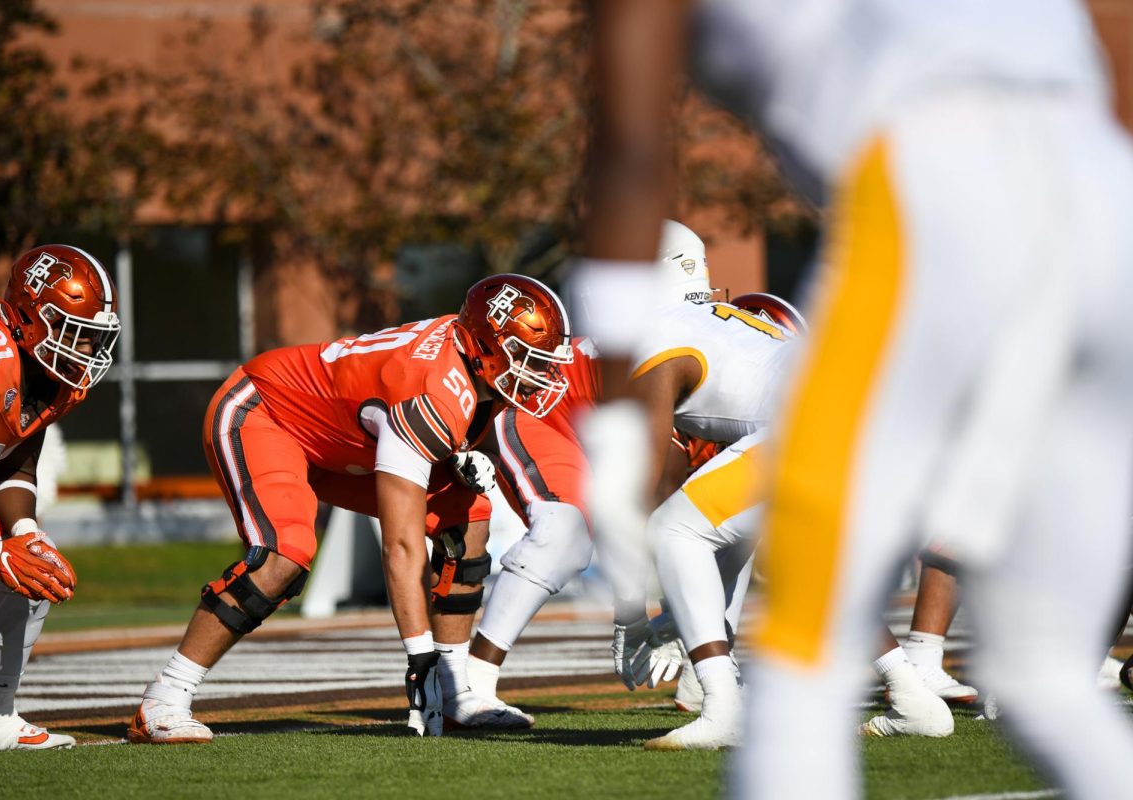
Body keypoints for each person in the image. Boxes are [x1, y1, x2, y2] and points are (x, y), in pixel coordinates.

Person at [576, 2, 1133, 797]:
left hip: (928, 186)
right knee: (1043, 670)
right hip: (1109, 192)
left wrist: (614, 453)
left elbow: (628, 152)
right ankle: (913, 688)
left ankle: (728, 701)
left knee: (788, 655)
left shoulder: (669, 324)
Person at [128, 274, 574, 743]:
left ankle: (457, 691)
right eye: (526, 358)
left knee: (468, 521)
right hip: (266, 414)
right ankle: (165, 697)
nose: (539, 374)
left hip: (343, 440)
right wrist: (418, 656)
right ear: (479, 346)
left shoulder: (467, 362)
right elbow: (401, 547)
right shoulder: (430, 392)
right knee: (284, 555)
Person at [448, 221, 710, 728]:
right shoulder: (657, 356)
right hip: (544, 411)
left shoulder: (694, 355)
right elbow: (653, 491)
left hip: (592, 427)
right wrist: (634, 609)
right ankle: (469, 685)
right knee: (564, 536)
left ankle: (710, 675)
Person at [0, 244, 118, 750]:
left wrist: (23, 535)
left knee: (34, 570)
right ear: (29, 316)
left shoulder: (54, 378)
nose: (83, 347)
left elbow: (16, 463)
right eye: (73, 330)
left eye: (92, 336)